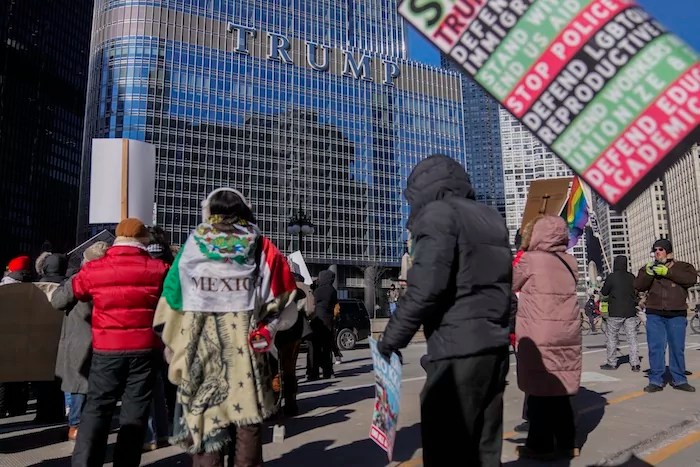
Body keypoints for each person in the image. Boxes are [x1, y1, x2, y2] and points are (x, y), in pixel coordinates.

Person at [378, 155, 511, 467]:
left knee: (447, 448)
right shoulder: (491, 217)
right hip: (495, 349)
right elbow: (504, 286)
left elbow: (425, 288)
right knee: (484, 447)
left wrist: (390, 340)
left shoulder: (438, 215)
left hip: (456, 349)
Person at [153, 188, 297, 467]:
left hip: (201, 346)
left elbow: (170, 301)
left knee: (208, 420)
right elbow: (285, 301)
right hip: (246, 346)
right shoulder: (262, 245)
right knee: (247, 421)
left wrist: (175, 344)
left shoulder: (192, 245)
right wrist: (269, 328)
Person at [71, 218, 169, 467]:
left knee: (97, 409)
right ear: (143, 239)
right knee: (135, 411)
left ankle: (84, 462)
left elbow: (78, 291)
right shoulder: (159, 269)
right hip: (145, 349)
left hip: (106, 348)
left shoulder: (95, 269)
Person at [513, 215, 582, 461]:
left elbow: (510, 283)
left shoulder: (530, 260)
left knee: (539, 390)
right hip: (567, 332)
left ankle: (540, 445)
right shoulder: (570, 261)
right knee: (561, 388)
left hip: (539, 332)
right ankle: (568, 443)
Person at [51, 242, 109, 441]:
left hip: (80, 337)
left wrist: (65, 285)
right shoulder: (110, 279)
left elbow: (58, 302)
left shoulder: (79, 278)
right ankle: (94, 423)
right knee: (97, 384)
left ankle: (75, 425)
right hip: (104, 337)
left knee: (78, 384)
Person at [634, 239, 698, 393]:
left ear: (669, 252)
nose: (657, 252)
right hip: (655, 314)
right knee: (656, 347)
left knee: (677, 347)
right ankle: (656, 380)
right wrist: (648, 273)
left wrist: (667, 272)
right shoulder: (648, 268)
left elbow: (691, 279)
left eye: (661, 249)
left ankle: (679, 379)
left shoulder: (683, 267)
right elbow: (638, 285)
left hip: (677, 313)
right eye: (655, 250)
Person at [35, 252, 71, 424]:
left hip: (41, 336)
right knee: (61, 377)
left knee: (42, 377)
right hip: (63, 334)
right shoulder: (68, 285)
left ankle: (42, 412)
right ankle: (58, 412)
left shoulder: (36, 286)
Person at [0, 256, 32, 418]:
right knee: (21, 375)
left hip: (4, 336)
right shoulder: (35, 287)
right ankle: (18, 407)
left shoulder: (4, 287)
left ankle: (1, 407)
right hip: (26, 337)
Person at [600, 256, 641, 372]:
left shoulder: (612, 277)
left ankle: (612, 363)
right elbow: (636, 291)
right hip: (630, 312)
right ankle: (635, 363)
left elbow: (604, 292)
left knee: (612, 338)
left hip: (615, 312)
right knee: (632, 338)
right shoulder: (631, 277)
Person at [309, 269, 338, 380]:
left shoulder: (316, 291)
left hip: (316, 321)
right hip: (328, 321)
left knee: (315, 349)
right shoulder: (332, 290)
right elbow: (334, 304)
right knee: (327, 348)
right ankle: (327, 372)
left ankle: (314, 373)